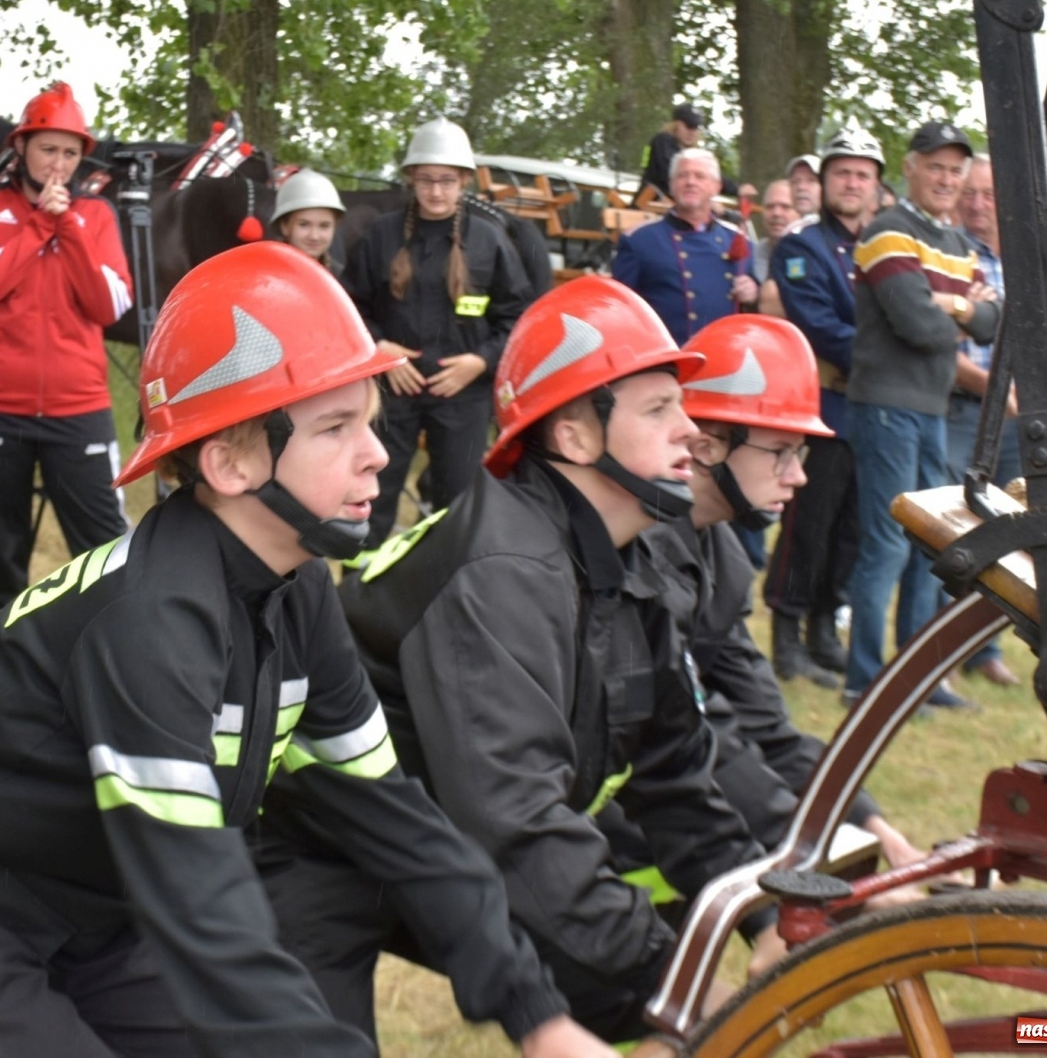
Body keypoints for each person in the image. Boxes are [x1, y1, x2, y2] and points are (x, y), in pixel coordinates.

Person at [0, 242, 615, 1058]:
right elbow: (200, 903)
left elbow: (400, 824)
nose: (380, 453)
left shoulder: (298, 591)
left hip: (72, 904)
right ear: (230, 462)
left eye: (371, 419)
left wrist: (535, 1014)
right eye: (334, 428)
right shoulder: (153, 620)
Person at [258, 276, 784, 1046]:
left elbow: (677, 775)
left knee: (637, 986)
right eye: (659, 408)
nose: (693, 432)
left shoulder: (634, 559)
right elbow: (516, 822)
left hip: (439, 849)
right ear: (574, 435)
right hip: (309, 851)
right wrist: (673, 985)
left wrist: (762, 911)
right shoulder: (504, 571)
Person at [645, 313, 926, 868]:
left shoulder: (719, 556)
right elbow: (702, 734)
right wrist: (816, 855)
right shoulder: (641, 555)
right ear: (706, 445)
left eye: (799, 454)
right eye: (781, 451)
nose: (797, 476)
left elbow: (767, 728)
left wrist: (870, 824)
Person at [0, 81, 132, 623]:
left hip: (77, 406)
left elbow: (108, 305)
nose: (58, 164)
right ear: (21, 148)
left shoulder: (96, 216)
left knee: (104, 546)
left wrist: (67, 227)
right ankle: (3, 666)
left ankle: (116, 645)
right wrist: (36, 226)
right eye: (47, 149)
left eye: (70, 153)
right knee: (0, 547)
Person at [843, 121, 998, 712]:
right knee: (885, 545)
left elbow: (992, 321)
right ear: (910, 167)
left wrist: (949, 304)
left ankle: (918, 679)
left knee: (927, 547)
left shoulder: (958, 245)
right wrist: (963, 309)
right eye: (935, 165)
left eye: (955, 169)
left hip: (932, 408)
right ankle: (863, 680)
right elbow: (918, 325)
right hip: (886, 405)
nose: (946, 178)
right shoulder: (887, 231)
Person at [341, 116, 529, 544]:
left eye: (447, 180)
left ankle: (452, 594)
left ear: (464, 181)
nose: (436, 191)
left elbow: (517, 317)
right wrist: (380, 349)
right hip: (392, 392)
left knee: (460, 503)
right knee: (373, 493)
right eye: (426, 180)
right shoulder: (381, 236)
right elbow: (348, 305)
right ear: (411, 179)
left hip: (462, 396)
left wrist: (481, 362)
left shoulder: (489, 241)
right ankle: (357, 592)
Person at [763, 126, 883, 689]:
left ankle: (823, 633)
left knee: (852, 530)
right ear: (825, 179)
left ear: (878, 186)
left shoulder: (890, 245)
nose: (852, 182)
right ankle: (787, 638)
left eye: (863, 174)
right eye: (842, 172)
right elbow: (821, 329)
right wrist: (893, 353)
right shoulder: (800, 247)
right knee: (808, 525)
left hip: (878, 412)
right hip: (827, 408)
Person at [949, 153, 1020, 687]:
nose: (976, 204)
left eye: (989, 195)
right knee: (951, 530)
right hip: (960, 409)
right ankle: (938, 652)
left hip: (1014, 415)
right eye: (969, 192)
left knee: (1002, 532)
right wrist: (998, 392)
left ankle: (984, 647)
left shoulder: (1024, 257)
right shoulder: (947, 254)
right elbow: (946, 351)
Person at [613, 147, 758, 345]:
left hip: (724, 358)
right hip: (664, 361)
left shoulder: (738, 239)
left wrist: (753, 293)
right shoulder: (639, 240)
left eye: (700, 176)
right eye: (682, 176)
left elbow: (755, 312)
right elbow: (619, 309)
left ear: (716, 186)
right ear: (671, 185)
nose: (691, 182)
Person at [272, 167, 345, 272]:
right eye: (304, 225)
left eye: (324, 226)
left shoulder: (340, 279)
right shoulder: (266, 271)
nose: (314, 236)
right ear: (284, 226)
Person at [752, 179, 796, 283]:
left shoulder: (814, 255)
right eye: (770, 207)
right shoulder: (753, 254)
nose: (776, 213)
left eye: (785, 207)